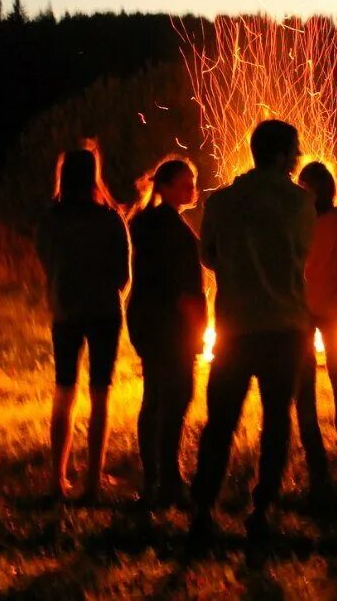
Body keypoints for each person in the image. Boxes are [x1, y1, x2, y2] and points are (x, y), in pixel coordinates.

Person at [189, 120, 316, 544]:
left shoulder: (221, 202)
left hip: (235, 328)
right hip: (285, 328)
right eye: (295, 151)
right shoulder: (300, 203)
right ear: (281, 156)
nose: (299, 158)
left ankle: (202, 508)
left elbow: (209, 257)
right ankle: (262, 508)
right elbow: (303, 254)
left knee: (220, 423)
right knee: (277, 420)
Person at [35, 144, 130, 502]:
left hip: (65, 311)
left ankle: (56, 479)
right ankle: (92, 481)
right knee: (100, 393)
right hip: (105, 311)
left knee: (64, 390)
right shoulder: (109, 219)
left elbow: (45, 259)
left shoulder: (50, 219)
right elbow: (124, 275)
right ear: (94, 175)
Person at [127, 157, 206, 507]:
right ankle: (169, 478)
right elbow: (179, 283)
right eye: (186, 182)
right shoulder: (170, 228)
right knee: (176, 396)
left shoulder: (147, 221)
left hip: (147, 320)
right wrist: (196, 325)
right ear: (167, 186)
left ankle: (153, 477)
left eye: (194, 181)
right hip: (170, 325)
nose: (193, 188)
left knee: (155, 397)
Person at [294, 161, 337, 494]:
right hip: (330, 308)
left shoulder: (299, 221)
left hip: (307, 309)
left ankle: (316, 440)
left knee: (310, 376)